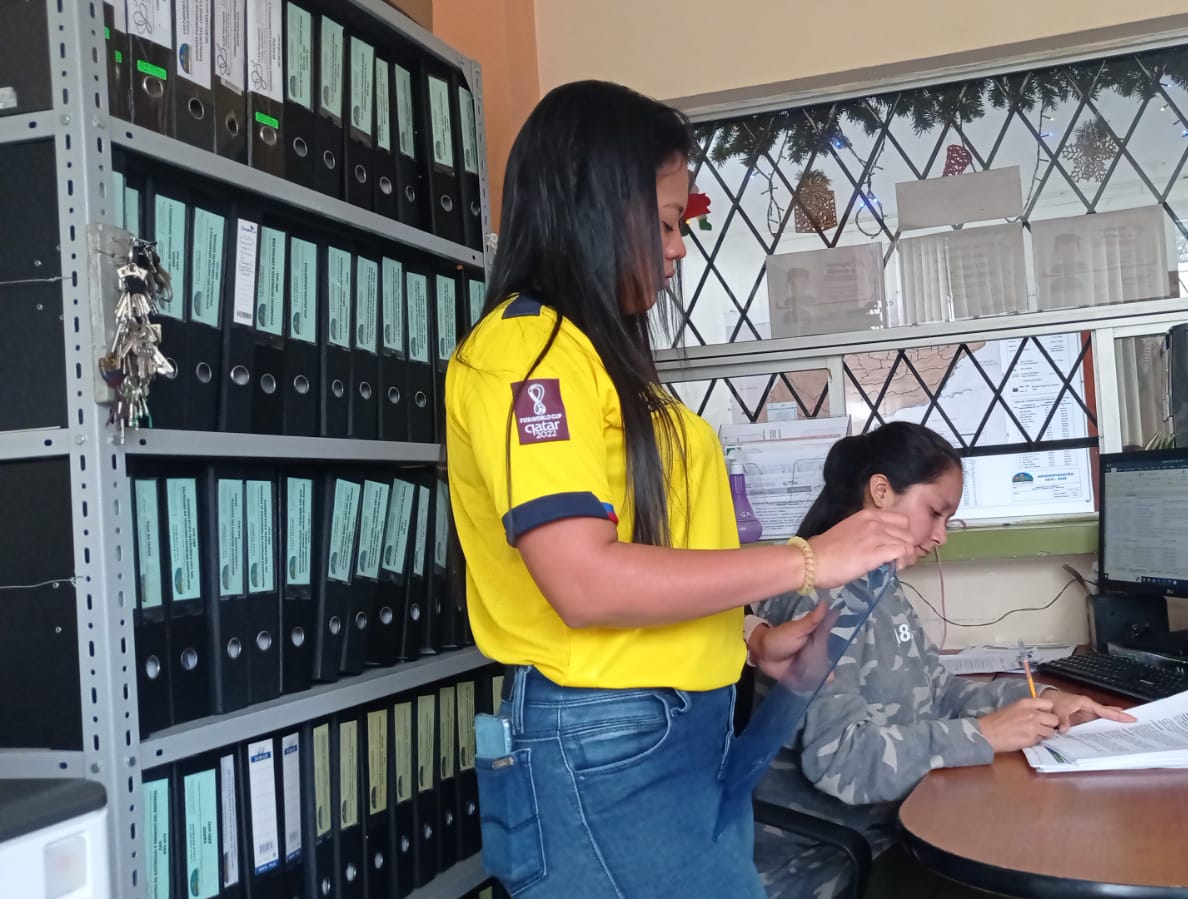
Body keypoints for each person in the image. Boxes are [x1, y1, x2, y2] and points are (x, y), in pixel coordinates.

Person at [444, 80, 917, 899]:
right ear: (596, 210)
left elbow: (647, 555)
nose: (677, 250)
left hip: (671, 730)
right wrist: (807, 558)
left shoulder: (595, 360)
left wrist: (745, 637)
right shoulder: (528, 357)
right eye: (665, 223)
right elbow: (584, 580)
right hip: (608, 740)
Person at [750, 422, 1133, 899]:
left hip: (898, 827)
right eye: (935, 512)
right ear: (881, 492)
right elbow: (843, 761)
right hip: (832, 863)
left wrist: (1043, 700)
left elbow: (940, 692)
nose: (940, 536)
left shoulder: (879, 586)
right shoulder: (816, 600)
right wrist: (984, 735)